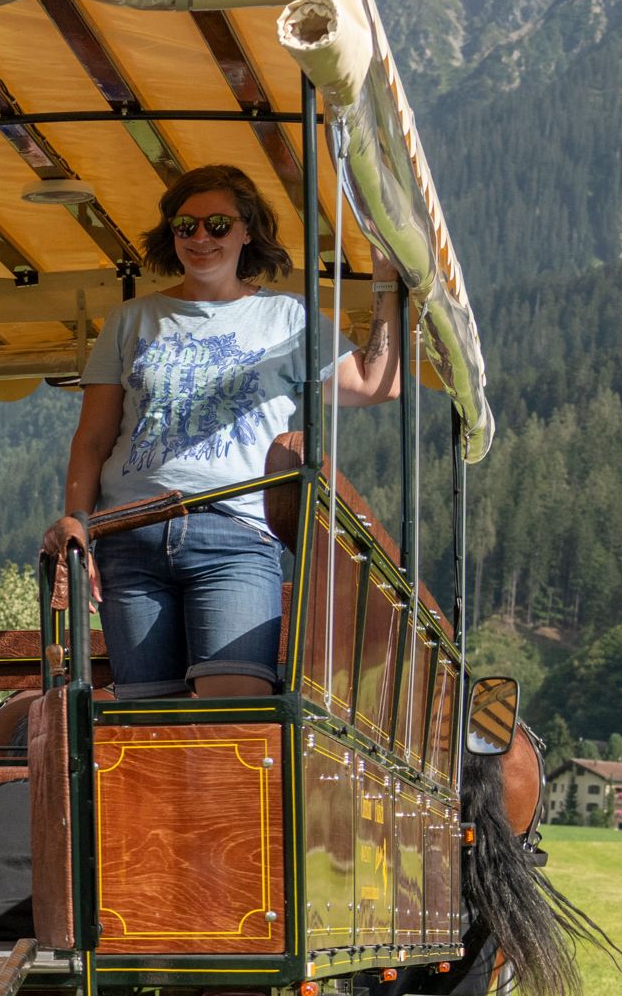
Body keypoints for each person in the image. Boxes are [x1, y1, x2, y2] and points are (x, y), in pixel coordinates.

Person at [43, 163, 400, 699]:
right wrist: (79, 523)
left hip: (235, 532)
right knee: (146, 715)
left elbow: (376, 383)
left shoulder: (288, 317)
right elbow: (92, 440)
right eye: (186, 226)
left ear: (247, 230)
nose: (201, 238)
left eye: (217, 224)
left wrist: (388, 283)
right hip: (129, 534)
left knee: (234, 705)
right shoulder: (132, 319)